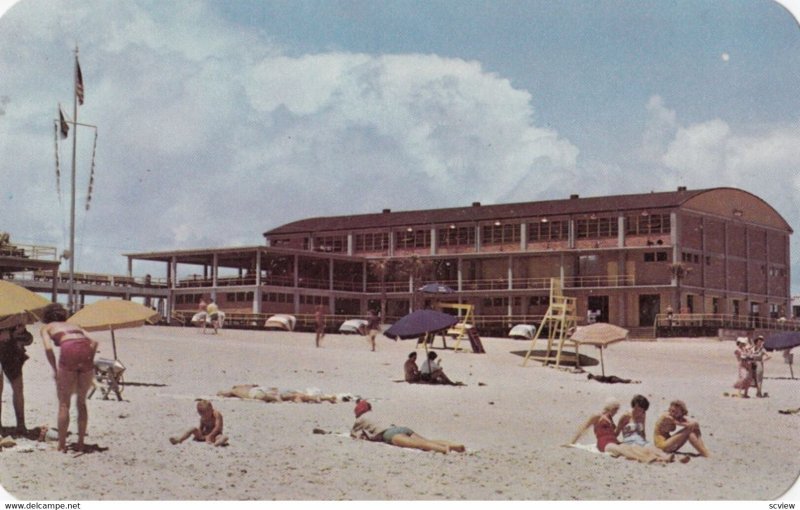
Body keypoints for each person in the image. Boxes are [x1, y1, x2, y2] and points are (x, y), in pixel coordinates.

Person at [39, 303, 98, 453]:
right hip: (86, 350)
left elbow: (47, 348)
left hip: (68, 350)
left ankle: (62, 445)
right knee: (81, 401)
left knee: (64, 403)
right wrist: (89, 358)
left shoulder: (46, 328)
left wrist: (55, 369)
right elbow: (94, 342)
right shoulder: (74, 325)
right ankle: (80, 443)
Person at [567, 398, 680, 463]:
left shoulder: (610, 419)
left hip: (614, 440)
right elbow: (583, 429)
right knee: (621, 450)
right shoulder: (597, 416)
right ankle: (649, 459)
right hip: (604, 443)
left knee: (631, 447)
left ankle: (661, 457)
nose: (616, 412)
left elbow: (615, 433)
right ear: (611, 408)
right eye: (616, 409)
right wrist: (572, 443)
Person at [350, 399, 465, 454]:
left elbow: (354, 434)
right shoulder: (376, 414)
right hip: (402, 428)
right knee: (426, 440)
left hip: (389, 434)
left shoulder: (360, 419)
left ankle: (444, 449)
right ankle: (453, 445)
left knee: (420, 445)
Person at [0, 321, 32, 434]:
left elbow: (29, 339)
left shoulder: (14, 319)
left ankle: (21, 425)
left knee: (18, 389)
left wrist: (19, 332)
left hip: (12, 356)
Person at [217, 384, 338, 403]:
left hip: (260, 393)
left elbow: (224, 393)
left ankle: (324, 398)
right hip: (260, 393)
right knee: (295, 395)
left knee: (295, 395)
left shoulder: (239, 390)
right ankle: (324, 398)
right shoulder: (239, 389)